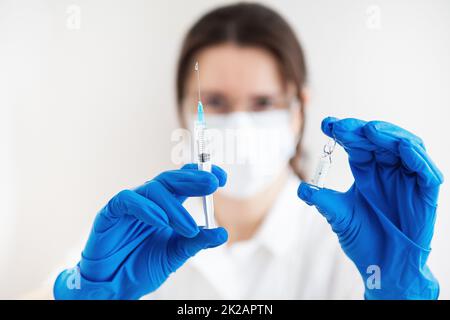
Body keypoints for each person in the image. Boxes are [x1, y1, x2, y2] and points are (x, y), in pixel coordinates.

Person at [53, 3, 443, 300]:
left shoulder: (352, 251)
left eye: (262, 103)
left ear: (299, 110)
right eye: (217, 103)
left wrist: (397, 291)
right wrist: (90, 293)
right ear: (185, 112)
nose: (240, 125)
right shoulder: (132, 240)